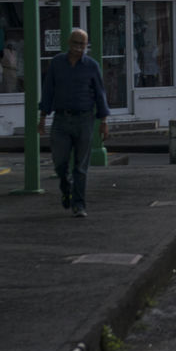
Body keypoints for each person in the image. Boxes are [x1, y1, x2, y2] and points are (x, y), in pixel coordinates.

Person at [38, 28, 109, 218]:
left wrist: (103, 120)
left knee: (80, 165)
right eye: (75, 43)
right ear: (69, 43)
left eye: (82, 44)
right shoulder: (56, 63)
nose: (78, 48)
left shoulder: (91, 66)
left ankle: (79, 204)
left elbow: (100, 94)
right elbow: (48, 90)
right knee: (59, 161)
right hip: (61, 119)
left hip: (84, 119)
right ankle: (65, 184)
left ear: (87, 46)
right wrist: (43, 116)